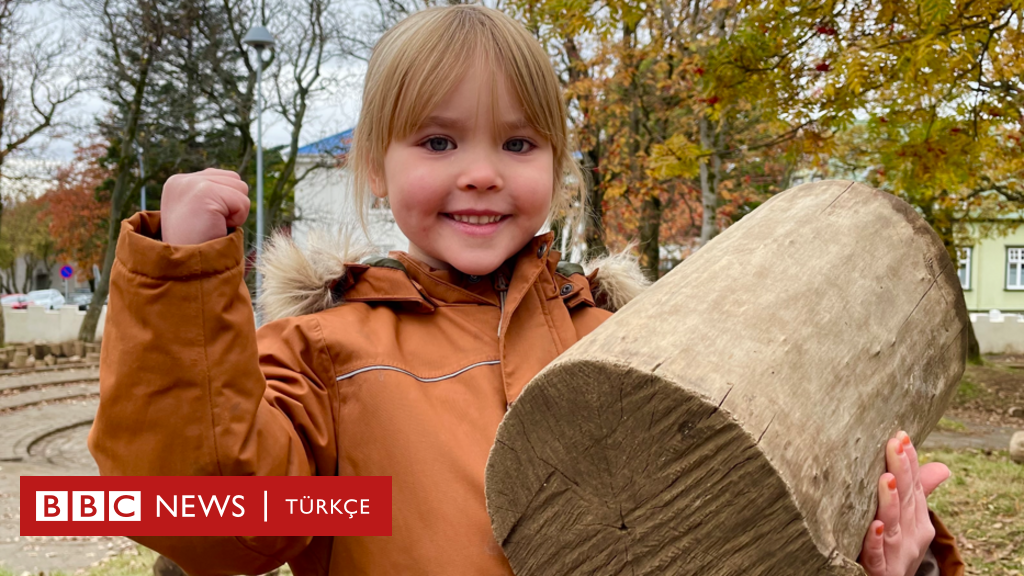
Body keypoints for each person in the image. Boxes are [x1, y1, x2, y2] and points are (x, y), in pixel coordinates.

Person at [88, 5, 964, 576]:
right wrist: (182, 283)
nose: (479, 174)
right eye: (436, 142)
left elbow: (741, 532)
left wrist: (889, 563)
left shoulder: (642, 339)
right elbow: (215, 521)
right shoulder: (327, 359)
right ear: (376, 171)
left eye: (516, 144)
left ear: (556, 167)